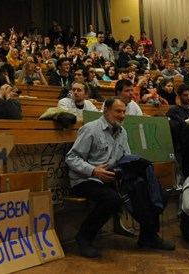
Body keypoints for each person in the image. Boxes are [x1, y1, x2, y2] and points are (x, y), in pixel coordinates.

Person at [65, 97, 175, 258]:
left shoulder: (122, 132)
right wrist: (94, 171)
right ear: (106, 111)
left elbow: (125, 157)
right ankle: (84, 237)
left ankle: (148, 237)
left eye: (124, 111)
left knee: (155, 192)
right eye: (118, 111)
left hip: (112, 179)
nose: (122, 115)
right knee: (112, 199)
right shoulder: (90, 129)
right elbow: (71, 158)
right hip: (86, 179)